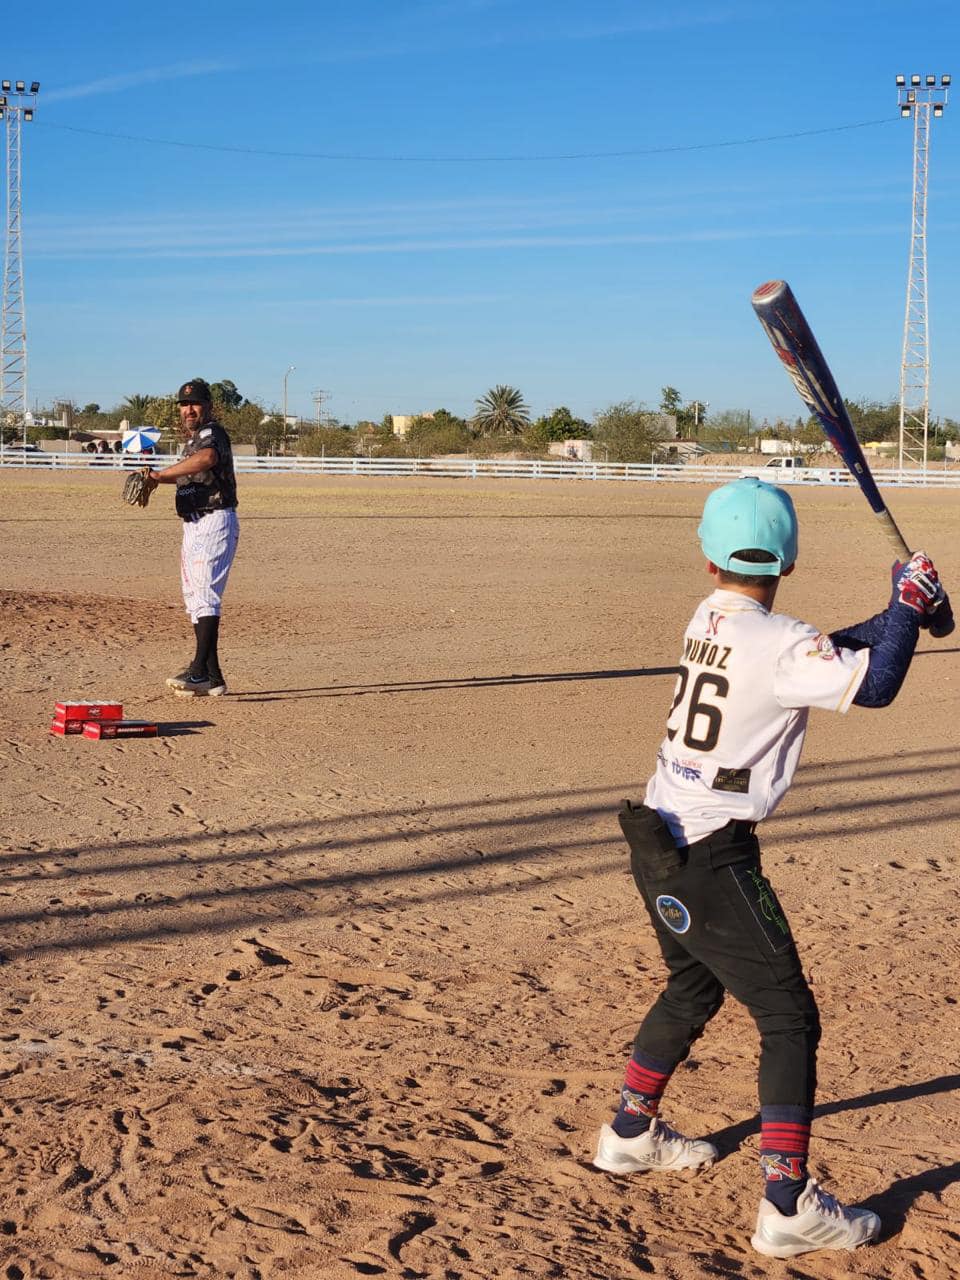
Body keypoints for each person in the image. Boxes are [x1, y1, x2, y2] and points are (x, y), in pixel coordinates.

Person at [592, 477, 945, 1260]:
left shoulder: (709, 619)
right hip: (715, 855)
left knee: (691, 985)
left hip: (656, 842)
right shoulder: (782, 640)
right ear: (787, 561)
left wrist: (904, 615)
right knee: (789, 1018)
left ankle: (629, 1133)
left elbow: (826, 652)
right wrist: (907, 616)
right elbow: (874, 683)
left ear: (710, 560)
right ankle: (787, 1204)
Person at [146, 378, 239, 697]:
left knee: (205, 594)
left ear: (209, 406)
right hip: (194, 523)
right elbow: (192, 471)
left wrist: (159, 474)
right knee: (194, 598)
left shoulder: (212, 434)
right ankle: (213, 677)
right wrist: (157, 479)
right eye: (184, 405)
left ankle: (198, 670)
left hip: (214, 519)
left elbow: (208, 460)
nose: (188, 409)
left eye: (195, 403)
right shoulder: (193, 442)